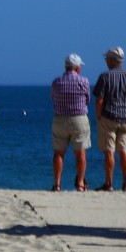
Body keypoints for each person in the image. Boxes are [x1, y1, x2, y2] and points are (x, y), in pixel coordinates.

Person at [93, 46, 126, 192]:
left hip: (108, 117)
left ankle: (109, 183)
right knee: (124, 151)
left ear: (112, 60)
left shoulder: (105, 77)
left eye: (107, 58)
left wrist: (98, 116)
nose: (106, 61)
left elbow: (99, 100)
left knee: (109, 152)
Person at [50, 53, 91, 192]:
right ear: (77, 68)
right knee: (80, 153)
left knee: (58, 153)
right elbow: (87, 100)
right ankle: (80, 183)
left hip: (60, 119)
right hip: (79, 118)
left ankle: (57, 184)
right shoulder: (84, 81)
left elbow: (53, 97)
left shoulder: (56, 82)